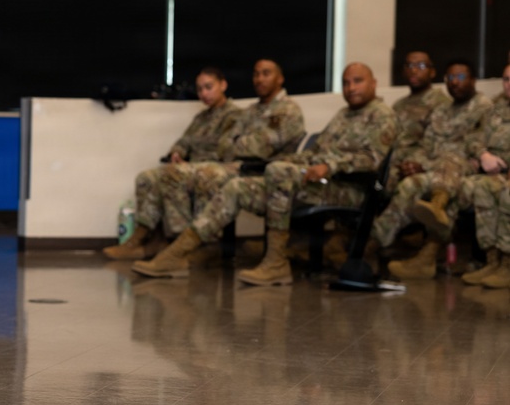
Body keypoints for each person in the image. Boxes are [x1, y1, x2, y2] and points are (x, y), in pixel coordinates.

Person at [134, 63, 395, 285]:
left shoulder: (382, 115)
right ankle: (178, 253)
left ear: (374, 83)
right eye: (346, 82)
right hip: (316, 182)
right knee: (239, 187)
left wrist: (330, 167)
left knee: (278, 170)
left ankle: (276, 262)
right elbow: (315, 153)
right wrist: (293, 161)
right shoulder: (342, 115)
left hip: (349, 188)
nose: (351, 87)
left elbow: (372, 159)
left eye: (358, 81)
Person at [131, 58, 308, 279]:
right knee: (168, 173)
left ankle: (196, 248)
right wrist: (236, 146)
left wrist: (237, 145)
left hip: (265, 172)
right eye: (256, 74)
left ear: (280, 78)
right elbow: (224, 145)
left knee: (204, 174)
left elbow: (260, 148)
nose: (259, 78)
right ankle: (176, 246)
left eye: (266, 73)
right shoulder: (251, 111)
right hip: (237, 166)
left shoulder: (288, 110)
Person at [369, 60, 493, 281]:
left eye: (461, 77)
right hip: (436, 168)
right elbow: (427, 146)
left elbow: (471, 147)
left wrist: (425, 165)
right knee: (409, 184)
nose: (455, 82)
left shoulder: (484, 108)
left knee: (452, 170)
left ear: (473, 80)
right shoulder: (442, 110)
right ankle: (374, 242)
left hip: (465, 168)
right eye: (450, 78)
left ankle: (429, 245)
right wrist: (415, 163)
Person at [103, 67, 241, 260]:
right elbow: (184, 141)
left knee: (173, 174)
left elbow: (227, 150)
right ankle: (147, 238)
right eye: (200, 89)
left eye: (209, 87)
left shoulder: (235, 116)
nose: (204, 93)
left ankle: (181, 244)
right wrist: (177, 153)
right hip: (193, 168)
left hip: (216, 169)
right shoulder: (201, 118)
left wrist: (188, 164)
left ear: (223, 85)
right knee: (147, 177)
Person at [460, 63, 510, 286]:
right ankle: (492, 260)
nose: (509, 85)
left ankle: (508, 264)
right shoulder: (496, 109)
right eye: (506, 79)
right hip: (498, 171)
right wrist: (483, 155)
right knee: (481, 187)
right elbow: (473, 137)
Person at [388, 52, 451, 194]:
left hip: (416, 167)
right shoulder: (399, 105)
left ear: (432, 72)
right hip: (392, 164)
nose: (414, 70)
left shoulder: (441, 103)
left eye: (421, 66)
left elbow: (437, 145)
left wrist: (420, 164)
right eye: (409, 65)